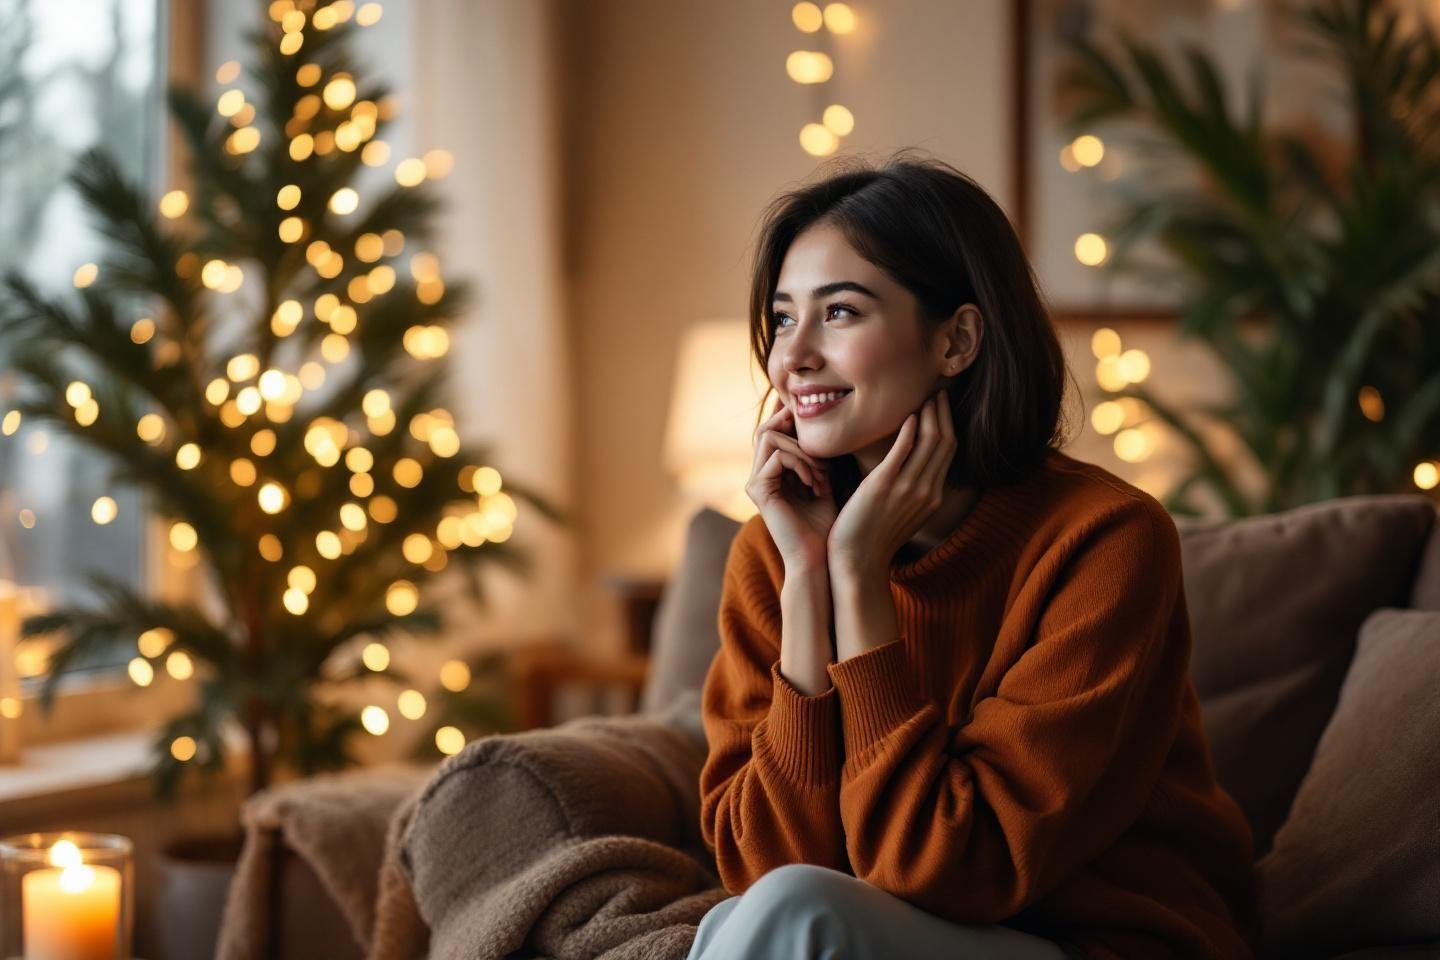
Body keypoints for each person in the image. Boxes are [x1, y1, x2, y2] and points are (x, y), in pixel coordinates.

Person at [687, 151, 1261, 960]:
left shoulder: (1105, 540)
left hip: (1091, 942)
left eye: (840, 313)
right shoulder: (777, 549)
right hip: (873, 928)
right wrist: (813, 580)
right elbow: (761, 862)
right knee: (759, 915)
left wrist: (859, 579)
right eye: (783, 318)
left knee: (796, 917)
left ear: (956, 339)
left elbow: (956, 868)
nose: (794, 356)